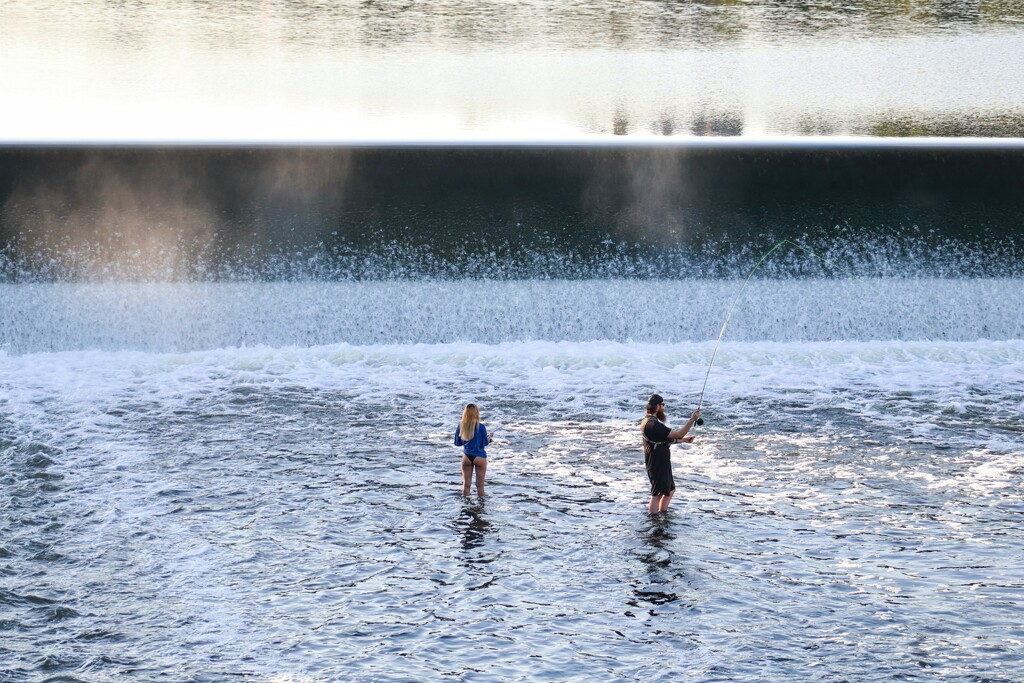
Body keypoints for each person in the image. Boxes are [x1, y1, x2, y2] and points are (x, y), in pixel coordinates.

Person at [641, 393, 700, 515]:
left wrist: (683, 440)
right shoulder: (653, 425)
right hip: (656, 463)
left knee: (670, 490)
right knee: (657, 494)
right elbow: (678, 434)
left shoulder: (649, 422)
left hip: (660, 462)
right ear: (657, 406)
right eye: (663, 405)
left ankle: (662, 513)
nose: (663, 407)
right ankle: (653, 518)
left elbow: (662, 439)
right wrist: (692, 419)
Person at [455, 403, 492, 496]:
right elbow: (485, 443)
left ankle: (465, 506)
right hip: (480, 457)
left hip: (467, 457)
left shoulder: (461, 425)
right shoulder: (481, 427)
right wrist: (489, 438)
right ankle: (481, 507)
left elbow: (457, 443)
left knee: (466, 485)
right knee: (480, 486)